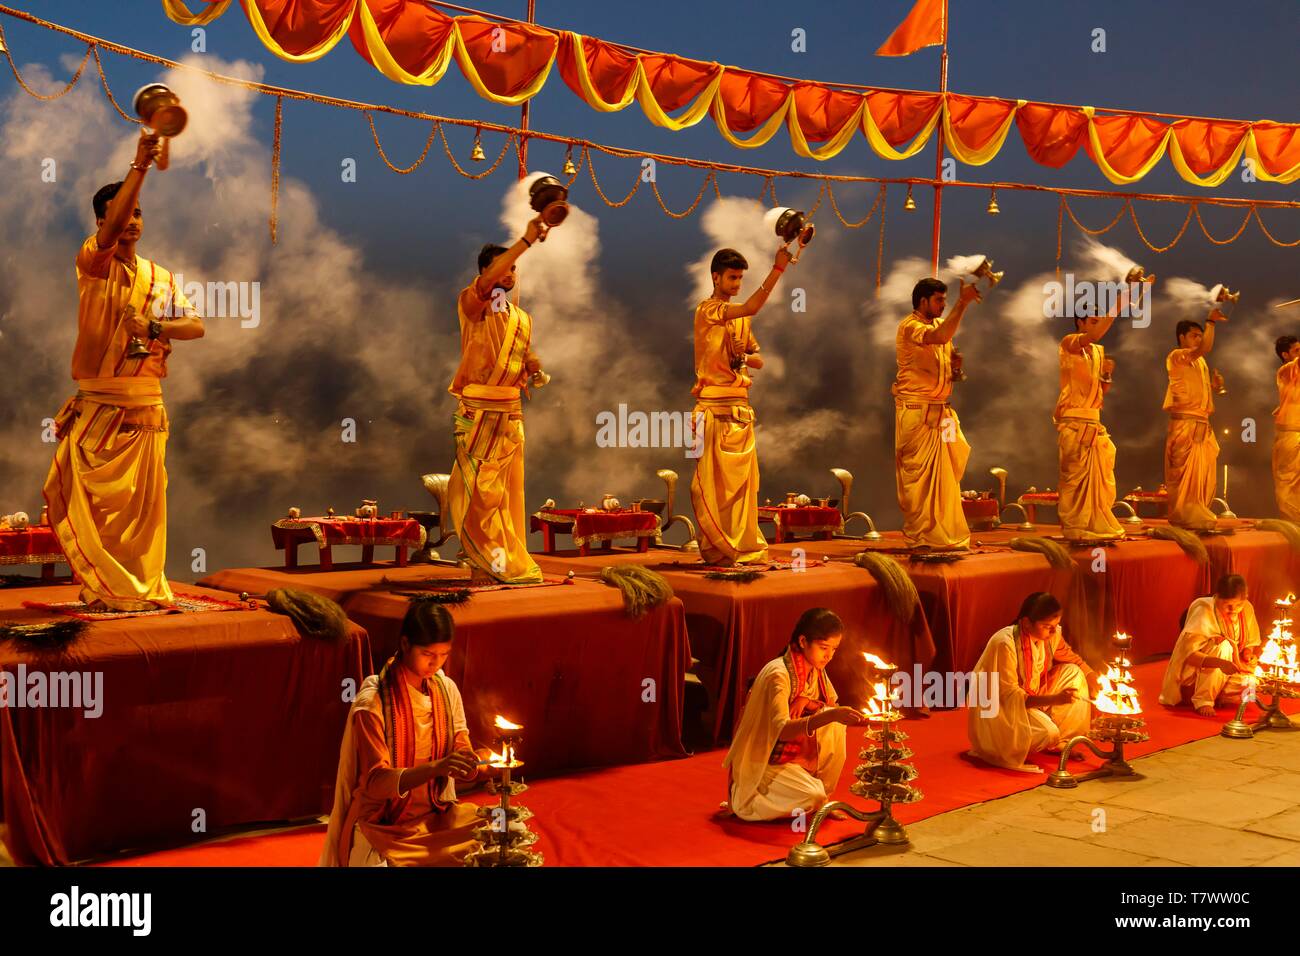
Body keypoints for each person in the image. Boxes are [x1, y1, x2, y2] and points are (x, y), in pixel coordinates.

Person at [43, 129, 204, 611]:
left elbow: (195, 326)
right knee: (101, 508)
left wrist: (154, 326)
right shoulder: (94, 262)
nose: (131, 220)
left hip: (147, 404)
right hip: (100, 405)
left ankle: (141, 587)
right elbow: (112, 231)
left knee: (146, 508)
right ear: (102, 221)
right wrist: (141, 165)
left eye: (137, 213)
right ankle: (105, 588)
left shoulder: (161, 277)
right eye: (122, 213)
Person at [321, 601, 488, 866]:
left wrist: (474, 765)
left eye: (444, 654)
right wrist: (437, 767)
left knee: (502, 834)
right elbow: (376, 782)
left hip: (435, 815)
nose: (436, 663)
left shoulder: (446, 690)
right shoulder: (374, 700)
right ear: (405, 644)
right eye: (427, 653)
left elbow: (461, 748)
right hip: (384, 823)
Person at [447, 219, 551, 584]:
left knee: (508, 493)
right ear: (486, 273)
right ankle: (483, 561)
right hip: (479, 413)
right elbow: (490, 281)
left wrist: (532, 367)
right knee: (482, 493)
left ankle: (505, 560)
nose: (510, 274)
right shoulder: (472, 302)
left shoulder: (520, 318)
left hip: (511, 414)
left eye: (514, 269)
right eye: (504, 267)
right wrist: (526, 239)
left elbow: (518, 359)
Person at [689, 240, 804, 565]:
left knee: (741, 488)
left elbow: (758, 360)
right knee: (712, 489)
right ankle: (718, 549)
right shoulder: (708, 309)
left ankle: (740, 546)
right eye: (732, 278)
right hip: (713, 411)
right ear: (716, 277)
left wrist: (744, 356)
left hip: (739, 411)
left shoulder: (740, 318)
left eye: (740, 278)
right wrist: (778, 268)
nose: (737, 284)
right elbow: (752, 307)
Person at [722, 608, 864, 821]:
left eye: (834, 649)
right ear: (803, 641)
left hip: (794, 758)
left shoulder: (816, 668)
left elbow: (830, 704)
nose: (829, 655)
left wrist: (808, 701)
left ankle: (823, 799)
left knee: (834, 722)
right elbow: (781, 730)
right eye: (824, 647)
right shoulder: (778, 674)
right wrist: (830, 715)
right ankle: (744, 799)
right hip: (764, 761)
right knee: (812, 795)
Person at [893, 276, 981, 549]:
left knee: (949, 472)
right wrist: (962, 302)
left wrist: (954, 367)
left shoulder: (940, 326)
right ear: (923, 301)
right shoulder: (910, 327)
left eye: (946, 300)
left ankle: (947, 535)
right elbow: (940, 338)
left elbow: (946, 353)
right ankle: (923, 537)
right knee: (919, 481)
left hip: (943, 413)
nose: (944, 305)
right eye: (939, 300)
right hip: (917, 413)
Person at [967, 592, 1097, 773]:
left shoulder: (1051, 636)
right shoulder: (1005, 644)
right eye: (1047, 626)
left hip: (1030, 696)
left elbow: (1072, 658)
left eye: (1056, 625)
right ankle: (1030, 740)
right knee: (1048, 732)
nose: (1053, 631)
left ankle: (1061, 742)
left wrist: (1093, 678)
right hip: (999, 712)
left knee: (1074, 674)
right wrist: (1056, 699)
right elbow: (1010, 698)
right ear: (1027, 623)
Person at [1054, 289, 1135, 541]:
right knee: (1074, 478)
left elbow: (1101, 391)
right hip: (1074, 421)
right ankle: (1075, 527)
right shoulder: (1069, 343)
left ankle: (1096, 524)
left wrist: (1107, 375)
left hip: (1094, 420)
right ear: (1080, 322)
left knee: (1102, 479)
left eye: (1099, 320)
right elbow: (1095, 335)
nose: (1097, 326)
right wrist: (1118, 305)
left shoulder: (1098, 351)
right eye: (1093, 321)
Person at [1159, 573, 1261, 716]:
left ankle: (1219, 695)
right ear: (1217, 597)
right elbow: (1189, 655)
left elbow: (1250, 643)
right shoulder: (1204, 609)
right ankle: (1203, 700)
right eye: (1228, 605)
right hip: (1195, 672)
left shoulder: (1247, 608)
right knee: (1224, 646)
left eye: (1238, 604)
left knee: (1251, 683)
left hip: (1229, 667)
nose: (1233, 610)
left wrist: (1248, 654)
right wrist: (1220, 663)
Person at [1163, 304, 1227, 530]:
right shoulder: (1177, 356)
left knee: (1203, 475)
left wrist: (1214, 387)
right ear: (1182, 337)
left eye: (1201, 335)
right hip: (1185, 425)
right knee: (1183, 476)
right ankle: (1185, 515)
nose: (1199, 340)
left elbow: (1196, 391)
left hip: (1202, 425)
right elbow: (1205, 348)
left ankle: (1198, 512)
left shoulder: (1199, 361)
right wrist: (1211, 322)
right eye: (1194, 336)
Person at [1272, 335, 1300, 521]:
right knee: (1288, 484)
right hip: (1290, 436)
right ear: (1285, 355)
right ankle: (1293, 528)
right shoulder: (1286, 370)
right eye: (1297, 351)